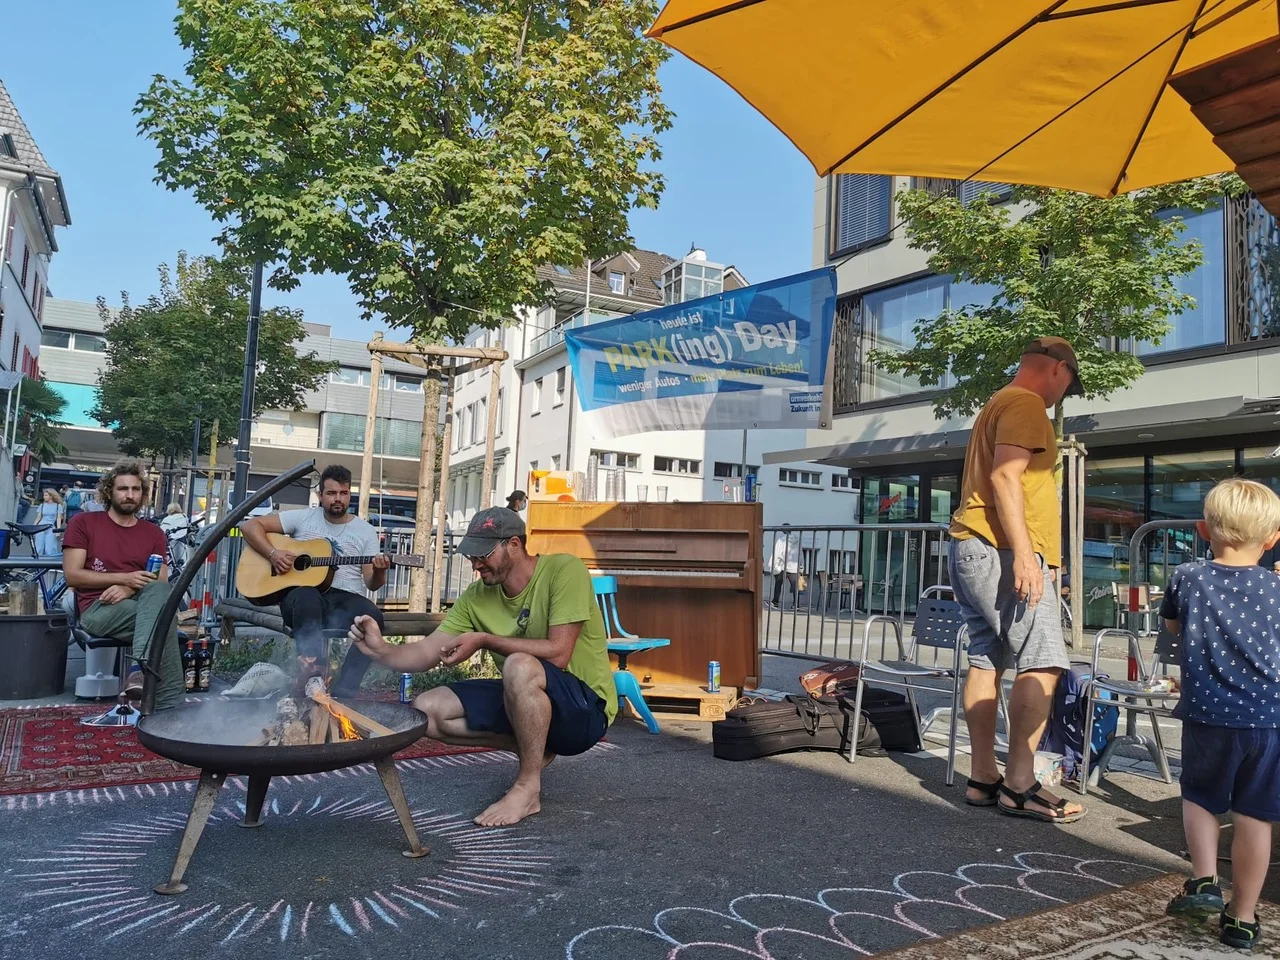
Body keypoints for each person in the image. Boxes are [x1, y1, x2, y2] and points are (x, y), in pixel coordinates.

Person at [348, 506, 615, 827]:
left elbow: (558, 654)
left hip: (584, 711)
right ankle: (533, 748)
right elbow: (428, 650)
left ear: (513, 545)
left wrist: (486, 639)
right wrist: (380, 650)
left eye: (482, 555)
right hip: (528, 701)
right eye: (470, 556)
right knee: (426, 710)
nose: (475, 565)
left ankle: (528, 787)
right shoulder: (478, 595)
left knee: (519, 665)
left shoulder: (564, 570)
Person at [949, 336, 1085, 823]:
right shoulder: (1028, 404)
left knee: (987, 659)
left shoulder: (997, 403)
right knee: (1044, 660)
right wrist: (1028, 556)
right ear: (1058, 370)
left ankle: (984, 777)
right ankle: (1020, 783)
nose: (1065, 394)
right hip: (1001, 551)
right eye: (1070, 383)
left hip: (976, 546)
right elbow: (1008, 478)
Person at [1162, 479, 1280, 950]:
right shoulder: (1276, 588)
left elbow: (1173, 624)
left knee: (1201, 796)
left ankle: (1206, 880)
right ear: (1272, 539)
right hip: (1269, 718)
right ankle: (1243, 918)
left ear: (1202, 530)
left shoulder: (1189, 577)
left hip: (1209, 711)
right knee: (1256, 816)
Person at [240, 464, 390, 697]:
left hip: (344, 599)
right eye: (331, 493)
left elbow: (371, 582)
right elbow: (250, 526)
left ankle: (346, 690)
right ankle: (313, 677)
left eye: (343, 493)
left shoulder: (366, 531)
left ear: (350, 494)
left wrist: (380, 571)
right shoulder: (303, 518)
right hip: (301, 599)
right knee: (307, 593)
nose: (337, 499)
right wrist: (273, 553)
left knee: (375, 619)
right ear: (321, 496)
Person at [62, 462, 184, 706]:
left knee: (161, 596)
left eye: (136, 489)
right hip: (98, 606)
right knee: (165, 621)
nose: (130, 495)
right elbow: (72, 575)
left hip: (140, 603)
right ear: (109, 492)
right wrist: (123, 578)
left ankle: (140, 671)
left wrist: (129, 588)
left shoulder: (153, 533)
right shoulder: (84, 523)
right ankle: (167, 706)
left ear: (143, 493)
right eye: (123, 489)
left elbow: (159, 581)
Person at [768, 524, 800, 609]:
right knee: (795, 586)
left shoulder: (781, 540)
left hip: (783, 567)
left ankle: (775, 602)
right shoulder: (797, 541)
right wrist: (801, 565)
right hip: (794, 567)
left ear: (783, 530)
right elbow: (801, 554)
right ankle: (796, 604)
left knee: (778, 584)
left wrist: (772, 565)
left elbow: (777, 553)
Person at [33, 488, 64, 557]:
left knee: (50, 548)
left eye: (46, 495)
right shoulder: (42, 505)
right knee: (39, 547)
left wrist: (58, 530)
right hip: (40, 527)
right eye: (44, 495)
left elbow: (58, 518)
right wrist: (33, 527)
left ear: (51, 496)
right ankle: (37, 564)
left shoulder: (58, 506)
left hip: (51, 527)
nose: (44, 497)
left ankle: (49, 565)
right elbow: (38, 517)